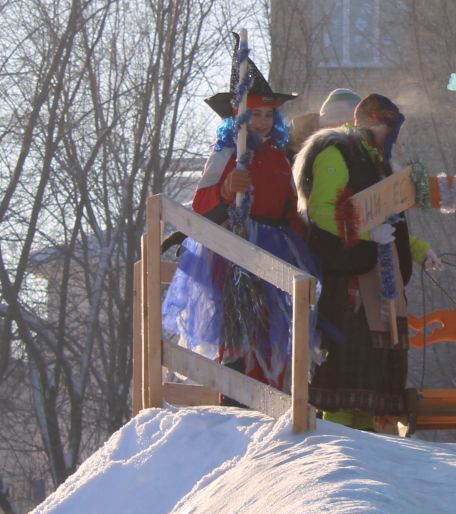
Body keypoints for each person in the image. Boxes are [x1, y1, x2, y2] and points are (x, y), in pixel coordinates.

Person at [160, 63, 320, 396]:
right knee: (239, 331)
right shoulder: (225, 154)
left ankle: (273, 399)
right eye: (254, 114)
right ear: (237, 116)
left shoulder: (278, 157)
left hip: (278, 252)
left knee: (272, 333)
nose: (261, 121)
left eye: (267, 114)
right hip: (234, 251)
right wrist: (226, 189)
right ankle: (238, 402)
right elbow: (202, 206)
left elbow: (288, 207)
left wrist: (302, 245)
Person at [295, 93, 439, 427]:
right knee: (347, 377)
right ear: (372, 124)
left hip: (378, 283)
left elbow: (386, 219)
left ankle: (364, 446)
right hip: (349, 280)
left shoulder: (374, 161)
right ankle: (342, 449)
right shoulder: (337, 152)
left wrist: (417, 249)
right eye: (388, 128)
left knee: (371, 381)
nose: (392, 137)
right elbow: (321, 211)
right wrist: (364, 234)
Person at [286, 86, 361, 157]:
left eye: (349, 126)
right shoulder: (309, 151)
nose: (342, 133)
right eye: (334, 126)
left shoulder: (365, 150)